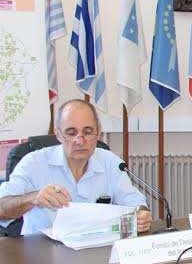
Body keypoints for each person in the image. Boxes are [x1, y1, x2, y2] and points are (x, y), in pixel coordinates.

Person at [0, 99, 151, 236]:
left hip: (96, 248)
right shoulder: (33, 163)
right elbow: (2, 208)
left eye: (88, 132)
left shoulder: (111, 162)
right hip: (43, 252)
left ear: (98, 133)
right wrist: (33, 198)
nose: (80, 140)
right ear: (58, 134)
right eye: (71, 133)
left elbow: (136, 204)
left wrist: (141, 215)